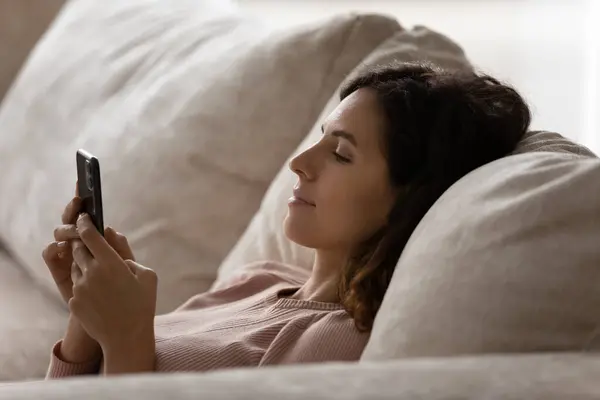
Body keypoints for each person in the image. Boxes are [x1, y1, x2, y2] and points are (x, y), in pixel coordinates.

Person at [42, 62, 531, 378]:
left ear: (409, 199)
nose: (300, 161)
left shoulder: (338, 344)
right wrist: (88, 318)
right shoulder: (258, 280)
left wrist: (127, 340)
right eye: (321, 137)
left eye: (340, 153)